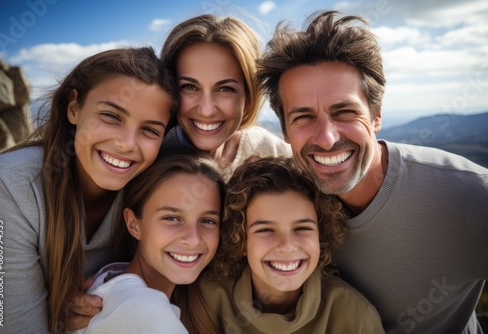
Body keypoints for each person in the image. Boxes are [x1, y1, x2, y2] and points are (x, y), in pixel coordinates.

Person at [256, 10, 488, 334]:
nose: (326, 138)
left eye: (345, 111)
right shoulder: (284, 202)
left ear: (376, 115)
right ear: (284, 130)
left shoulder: (466, 194)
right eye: (303, 117)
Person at [0, 47, 178, 333]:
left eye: (150, 130)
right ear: (74, 107)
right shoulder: (12, 187)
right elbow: (3, 319)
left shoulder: (154, 194)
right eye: (112, 116)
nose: (127, 143)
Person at [199, 156, 385, 333]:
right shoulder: (205, 300)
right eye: (265, 230)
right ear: (240, 240)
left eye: (302, 228)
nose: (287, 246)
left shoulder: (356, 317)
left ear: (321, 235)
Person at [73, 153, 224, 334]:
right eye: (172, 218)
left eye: (208, 221)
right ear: (133, 224)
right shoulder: (144, 310)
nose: (193, 239)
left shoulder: (110, 279)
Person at [160, 14, 291, 181]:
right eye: (189, 87)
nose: (207, 110)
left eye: (225, 89)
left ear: (249, 95)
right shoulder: (150, 158)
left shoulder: (272, 151)